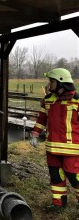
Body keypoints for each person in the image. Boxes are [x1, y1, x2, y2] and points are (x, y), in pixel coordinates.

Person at [30, 68, 79, 210]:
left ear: (61, 83)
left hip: (72, 149)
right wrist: (35, 133)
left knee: (74, 177)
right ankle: (58, 204)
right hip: (52, 147)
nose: (49, 84)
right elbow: (41, 119)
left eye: (52, 81)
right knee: (55, 176)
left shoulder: (76, 100)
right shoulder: (48, 100)